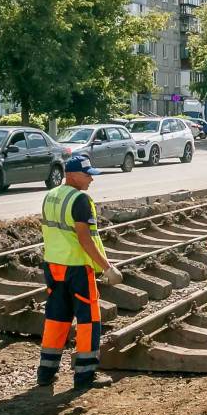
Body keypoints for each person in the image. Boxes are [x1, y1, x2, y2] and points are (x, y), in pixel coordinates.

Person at [36, 154, 121, 391]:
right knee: (89, 321)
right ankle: (85, 375)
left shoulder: (50, 196)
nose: (91, 180)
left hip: (53, 266)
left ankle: (46, 372)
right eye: (87, 175)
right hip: (77, 268)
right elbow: (85, 239)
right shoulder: (80, 200)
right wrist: (107, 267)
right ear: (71, 175)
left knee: (56, 317)